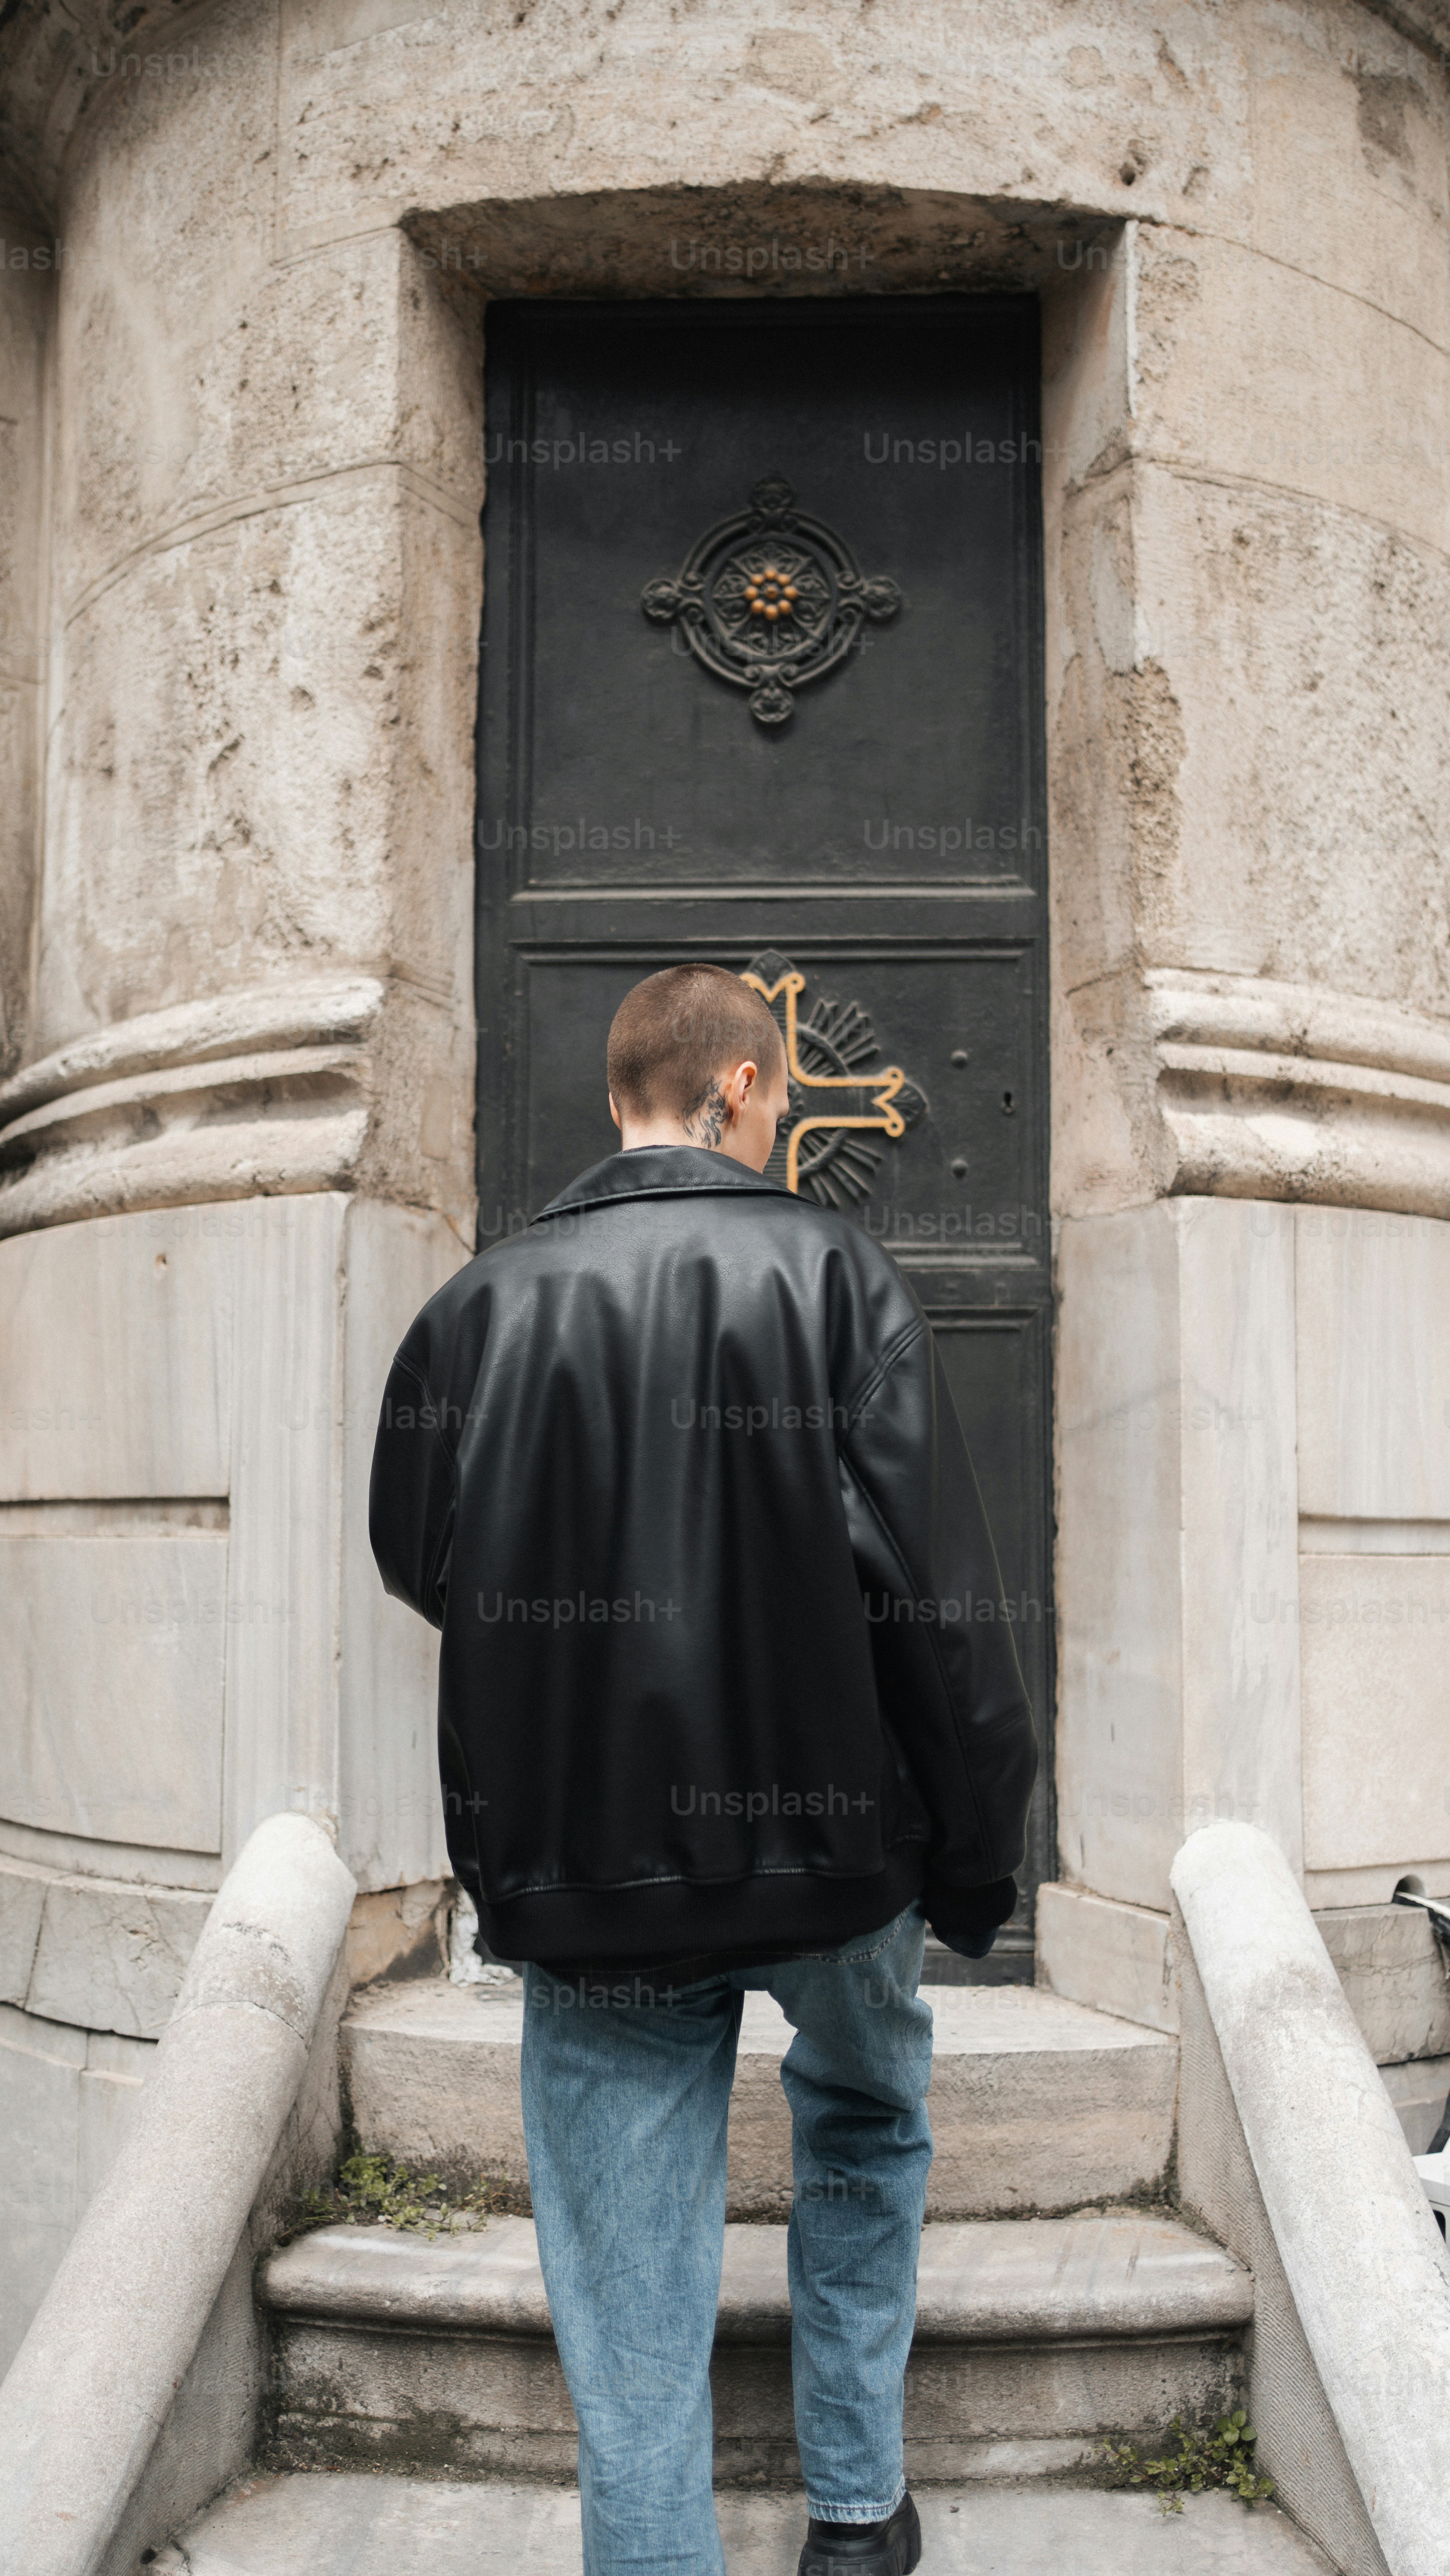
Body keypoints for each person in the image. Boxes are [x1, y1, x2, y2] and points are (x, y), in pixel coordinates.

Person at [369, 962, 1037, 2576]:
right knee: (865, 2129)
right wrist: (971, 1862)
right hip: (834, 1857)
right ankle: (858, 2522)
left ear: (620, 1101)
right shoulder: (837, 1272)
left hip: (584, 1867)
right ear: (744, 1090)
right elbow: (939, 1608)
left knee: (622, 2269)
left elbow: (418, 1555)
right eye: (784, 1088)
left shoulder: (475, 1302)